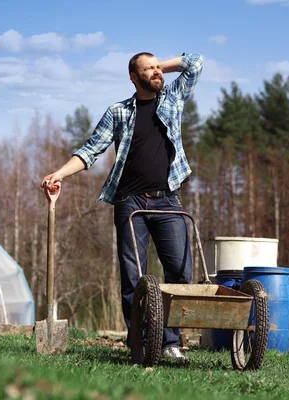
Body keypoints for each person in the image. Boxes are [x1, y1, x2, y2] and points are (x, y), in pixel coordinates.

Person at [41, 52, 203, 360]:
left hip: (168, 199)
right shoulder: (118, 112)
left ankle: (170, 343)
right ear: (133, 77)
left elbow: (194, 62)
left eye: (159, 68)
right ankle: (140, 343)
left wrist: (157, 66)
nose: (157, 73)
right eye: (149, 70)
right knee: (134, 277)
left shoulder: (173, 97)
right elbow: (91, 150)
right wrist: (59, 173)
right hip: (130, 203)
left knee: (181, 272)